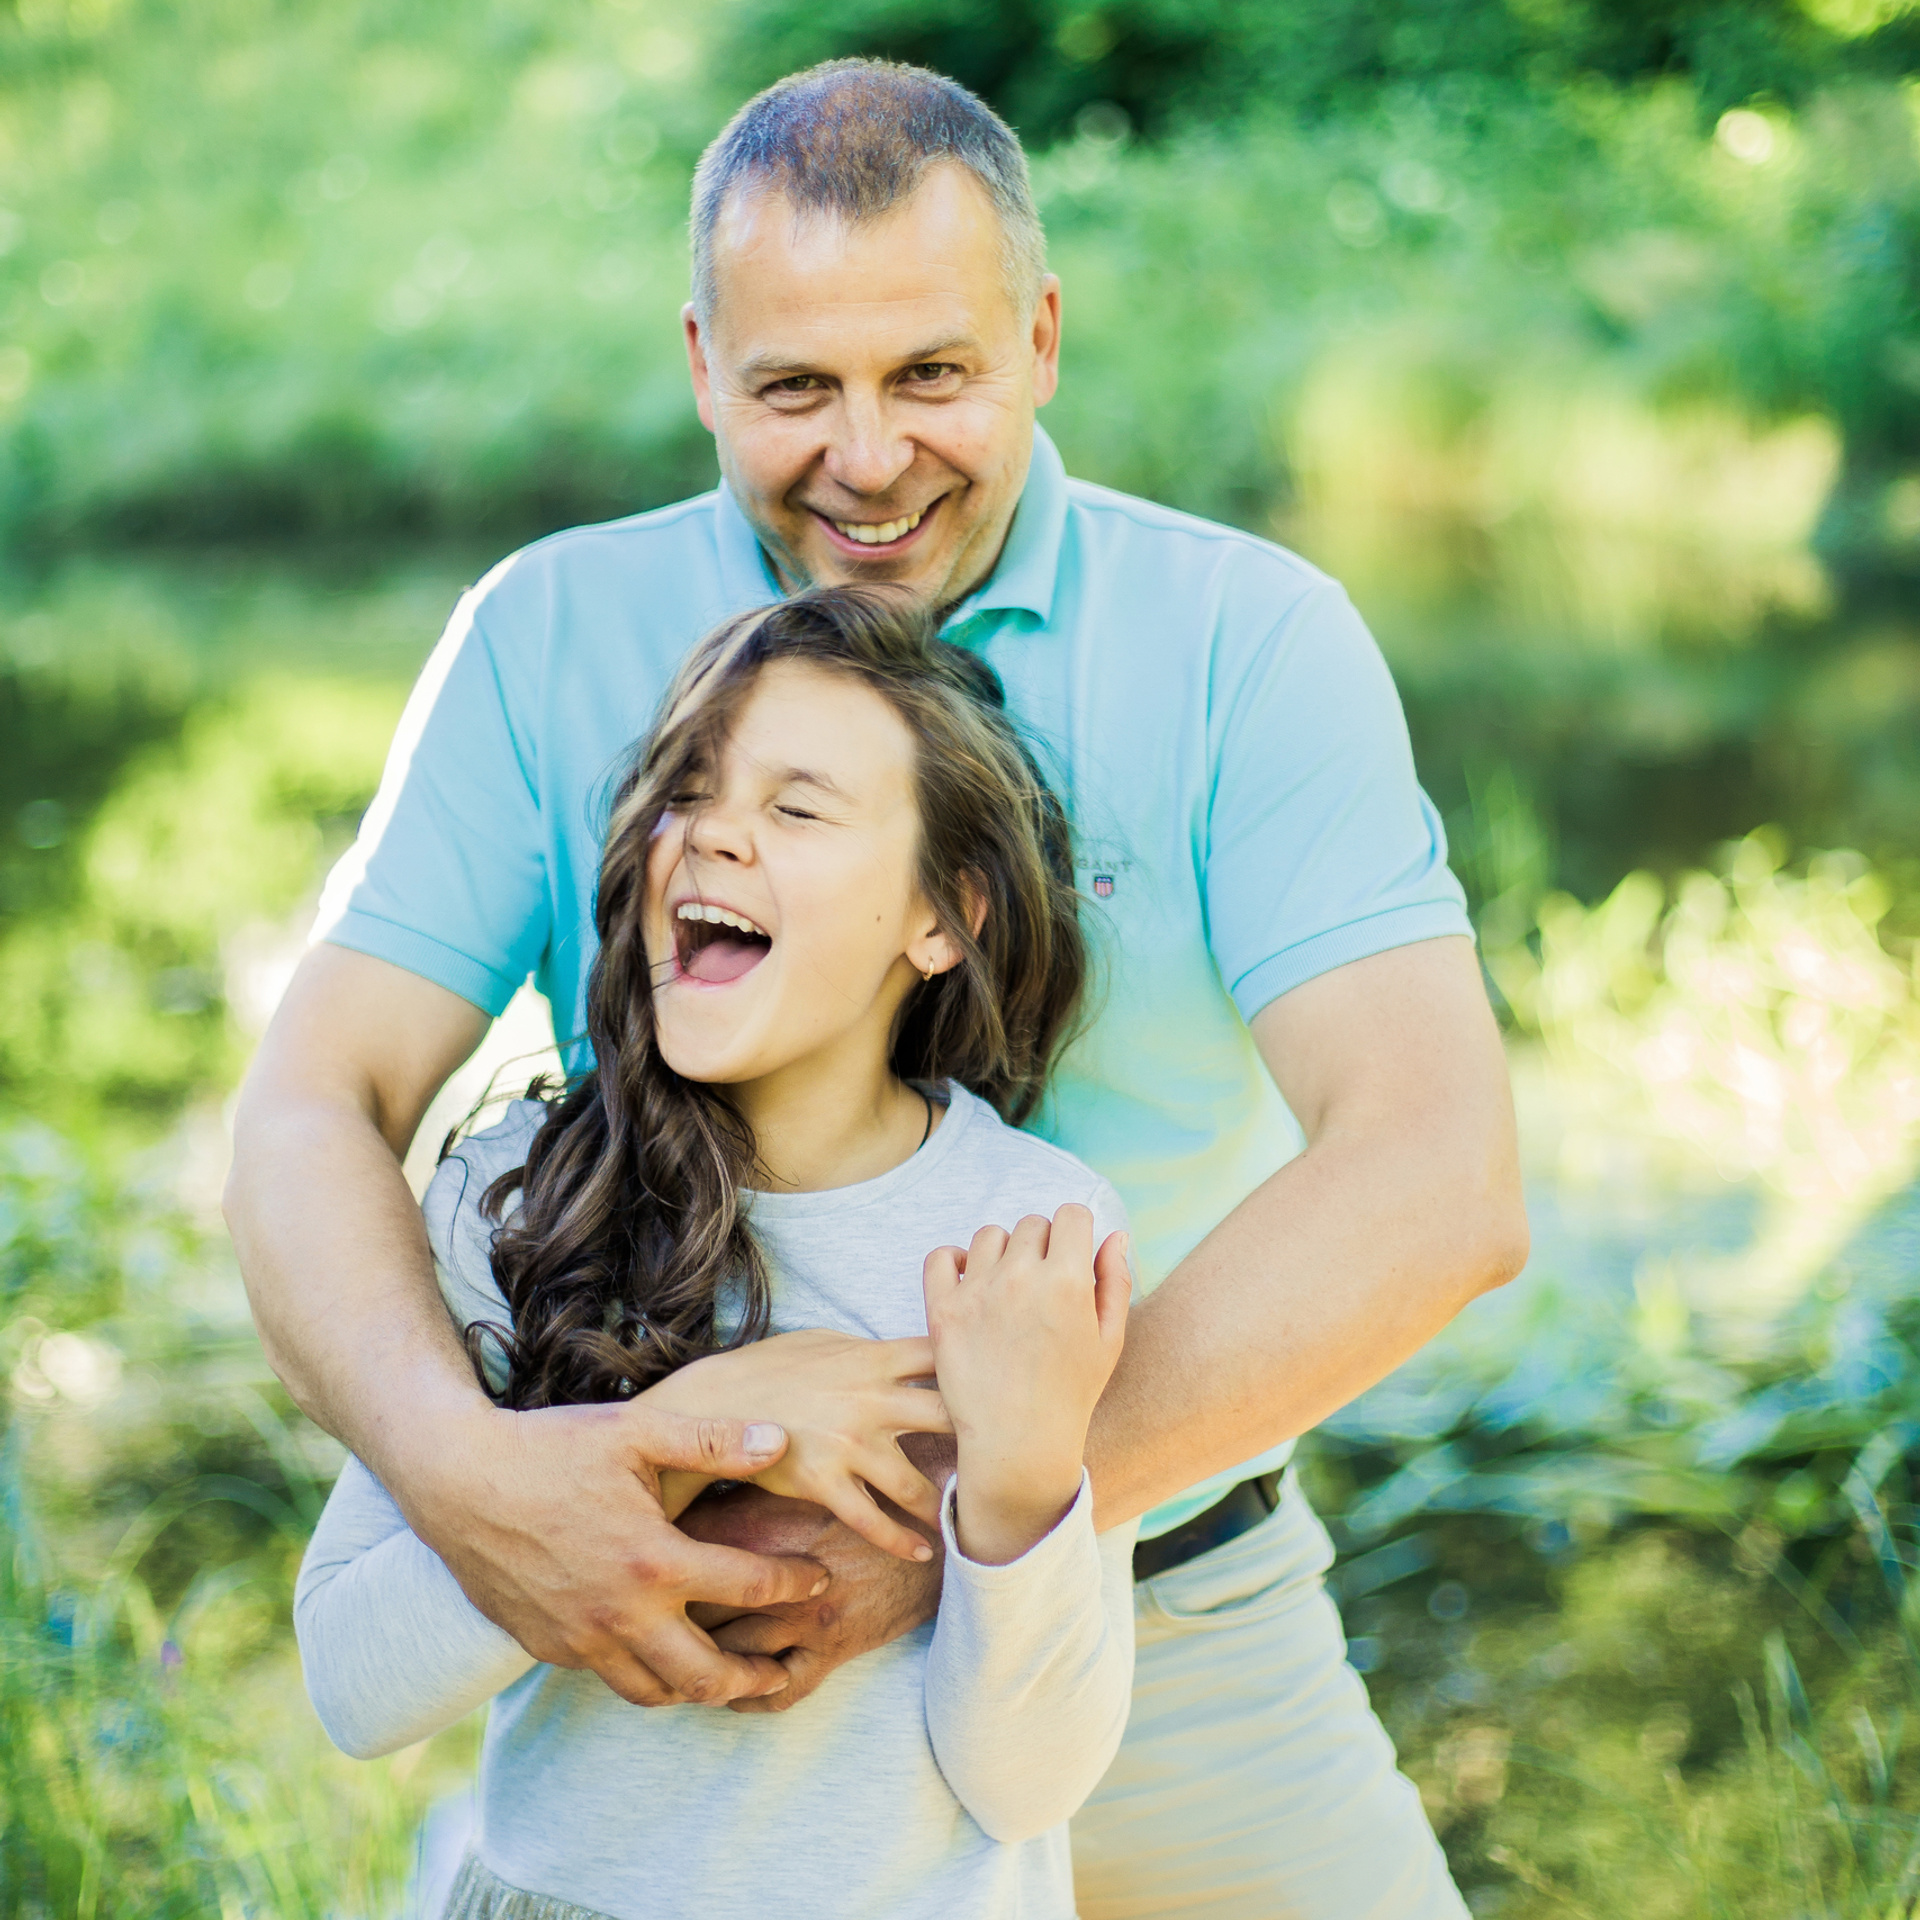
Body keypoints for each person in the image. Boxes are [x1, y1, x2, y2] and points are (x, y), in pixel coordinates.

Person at [225, 57, 1529, 1918]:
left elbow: (1437, 1171)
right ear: (701, 366)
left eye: (932, 373)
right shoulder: (546, 636)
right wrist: (480, 1488)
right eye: (793, 388)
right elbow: (310, 1105)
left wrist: (966, 1521)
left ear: (1043, 336)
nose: (866, 455)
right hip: (682, 1650)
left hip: (1171, 1615)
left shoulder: (1249, 639)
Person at [295, 589, 1139, 1919]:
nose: (712, 837)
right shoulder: (522, 1196)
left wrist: (1027, 1482)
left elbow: (1028, 1784)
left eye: (798, 810)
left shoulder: (1037, 1234)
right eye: (686, 793)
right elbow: (354, 1681)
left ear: (945, 916)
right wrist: (695, 1434)